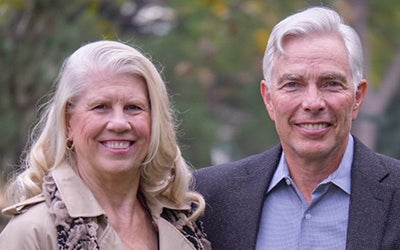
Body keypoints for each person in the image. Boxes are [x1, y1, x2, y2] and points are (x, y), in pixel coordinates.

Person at [194, 6, 400, 250]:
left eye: (331, 83)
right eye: (293, 85)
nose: (312, 103)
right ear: (269, 99)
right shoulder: (209, 198)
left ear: (357, 97)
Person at [0, 40, 211, 250]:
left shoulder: (185, 223)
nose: (119, 123)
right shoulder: (33, 233)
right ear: (68, 123)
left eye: (133, 107)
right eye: (101, 107)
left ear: (155, 121)